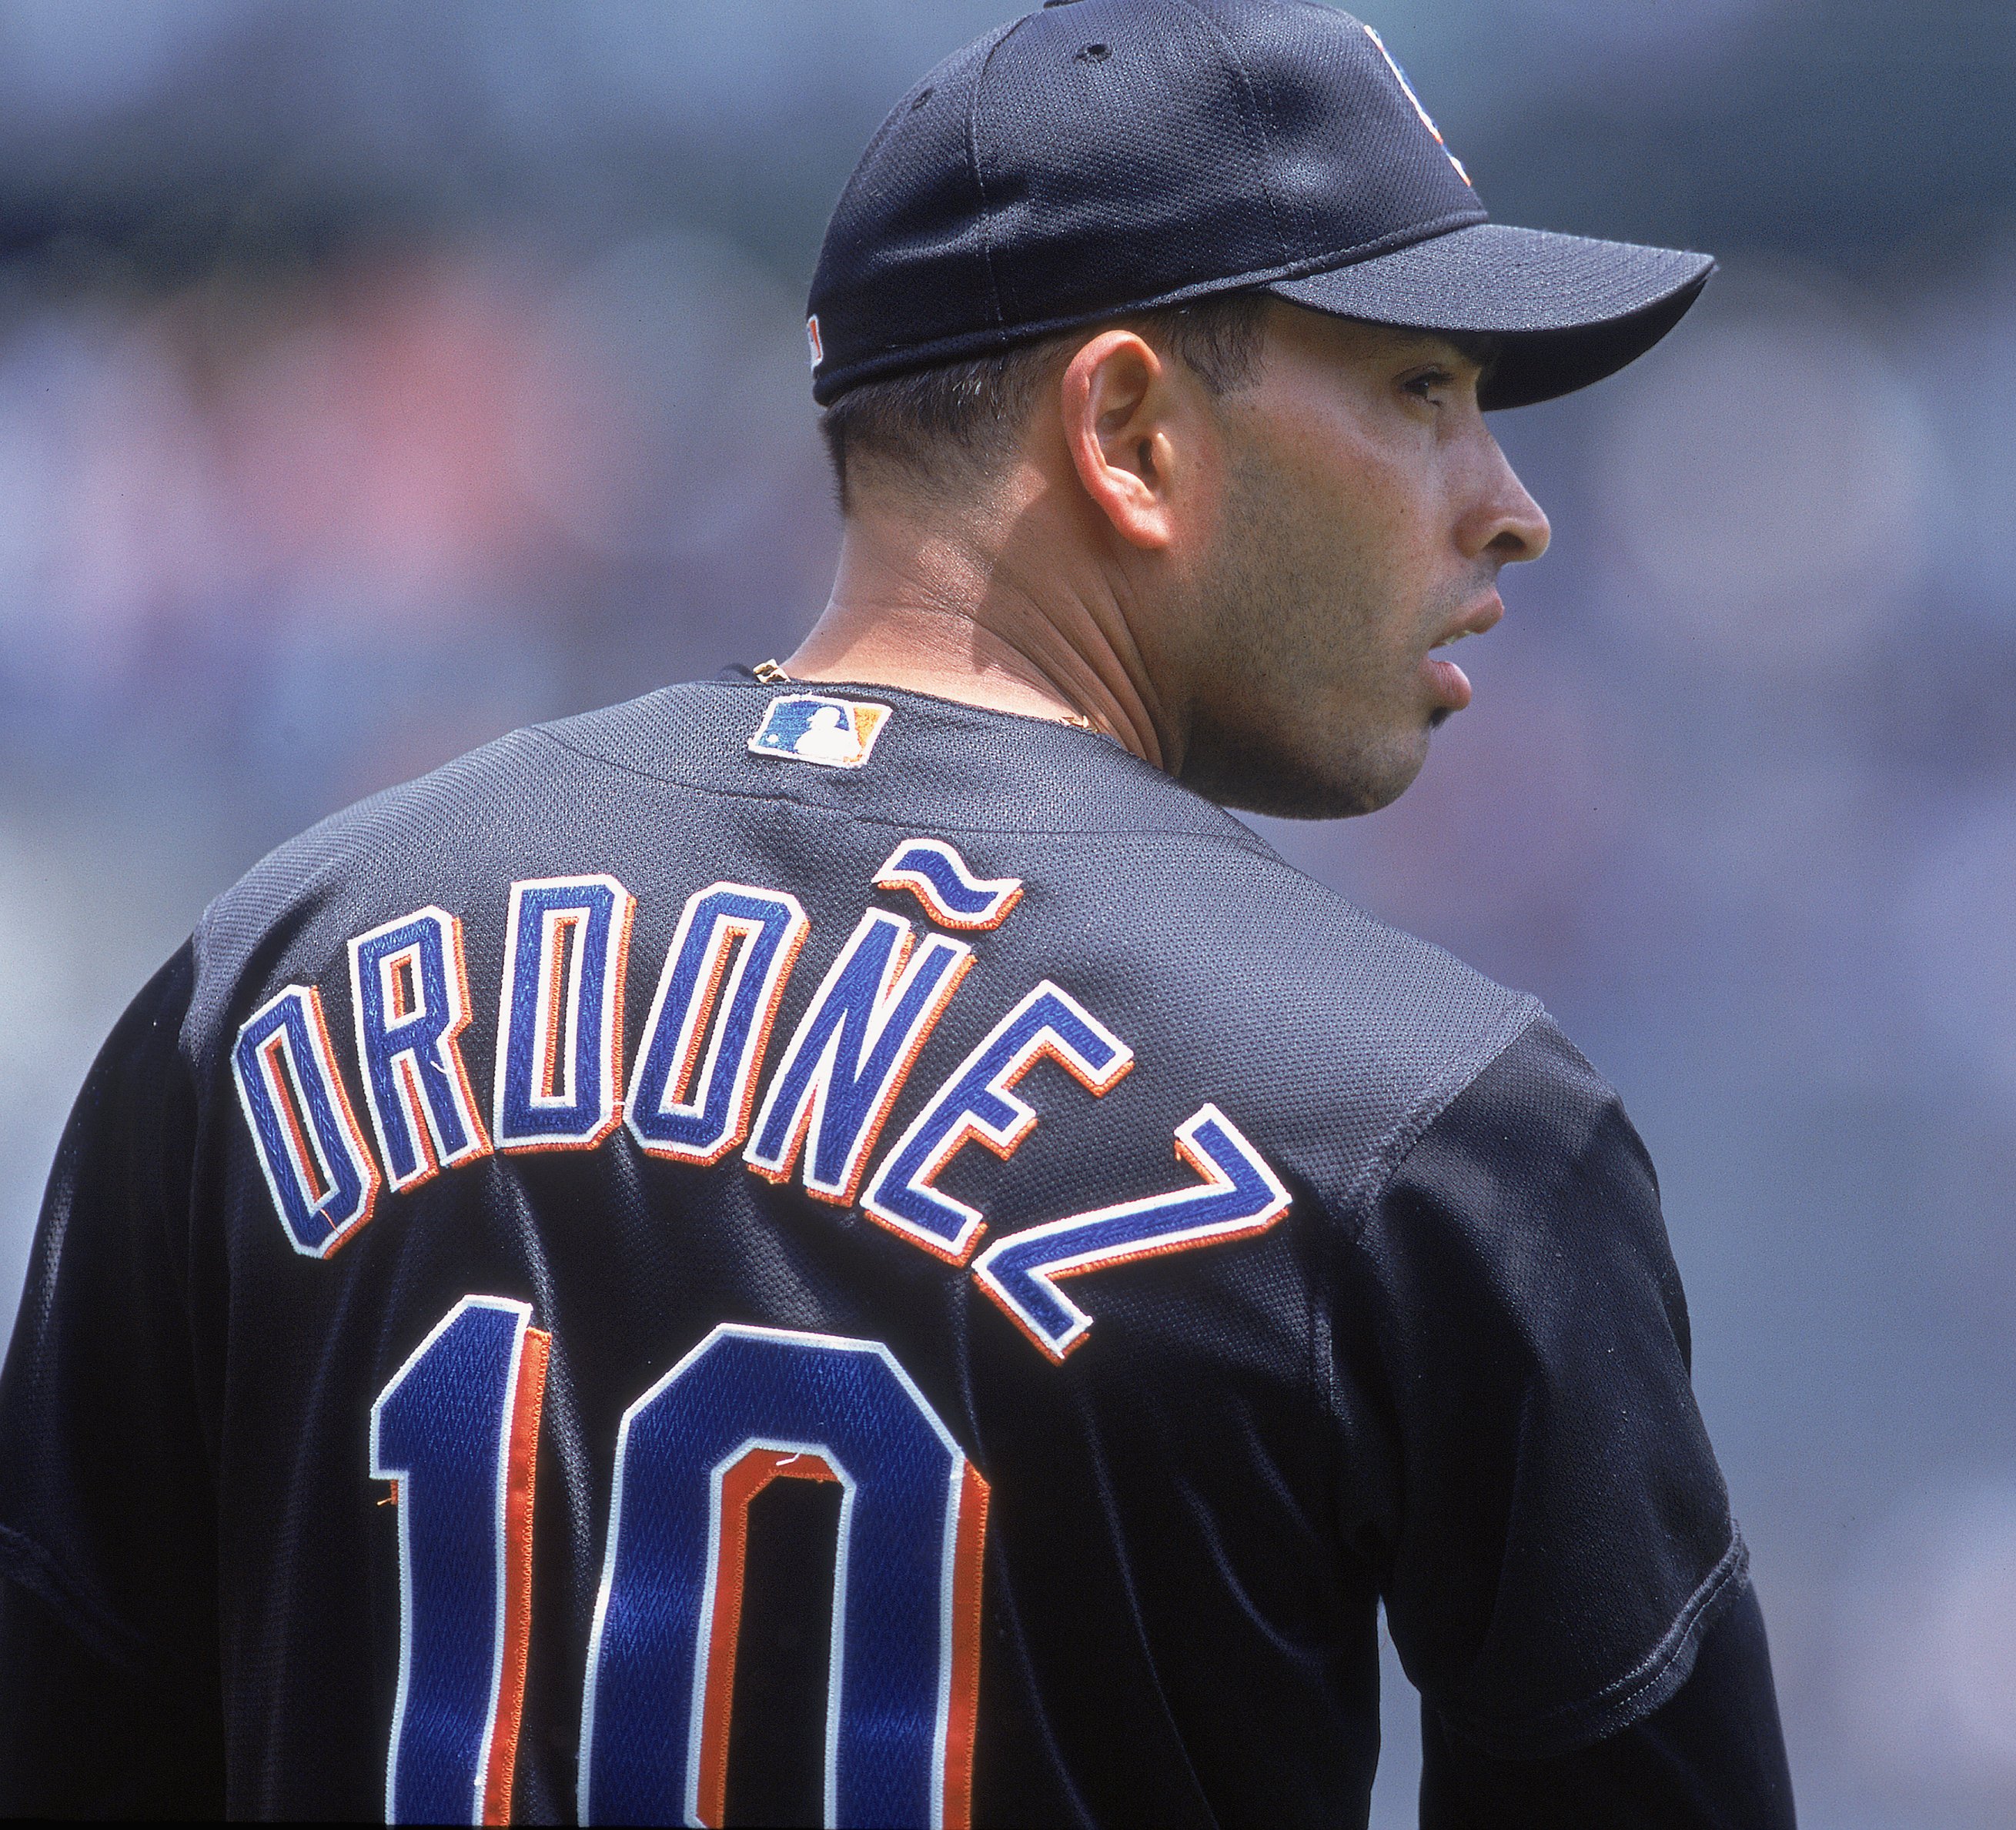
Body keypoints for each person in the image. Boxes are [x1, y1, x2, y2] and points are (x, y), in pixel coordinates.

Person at [0, 0, 1793, 1822]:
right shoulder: (1426, 1115)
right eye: (1424, 392)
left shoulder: (271, 976)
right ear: (1129, 431)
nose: (1511, 507)